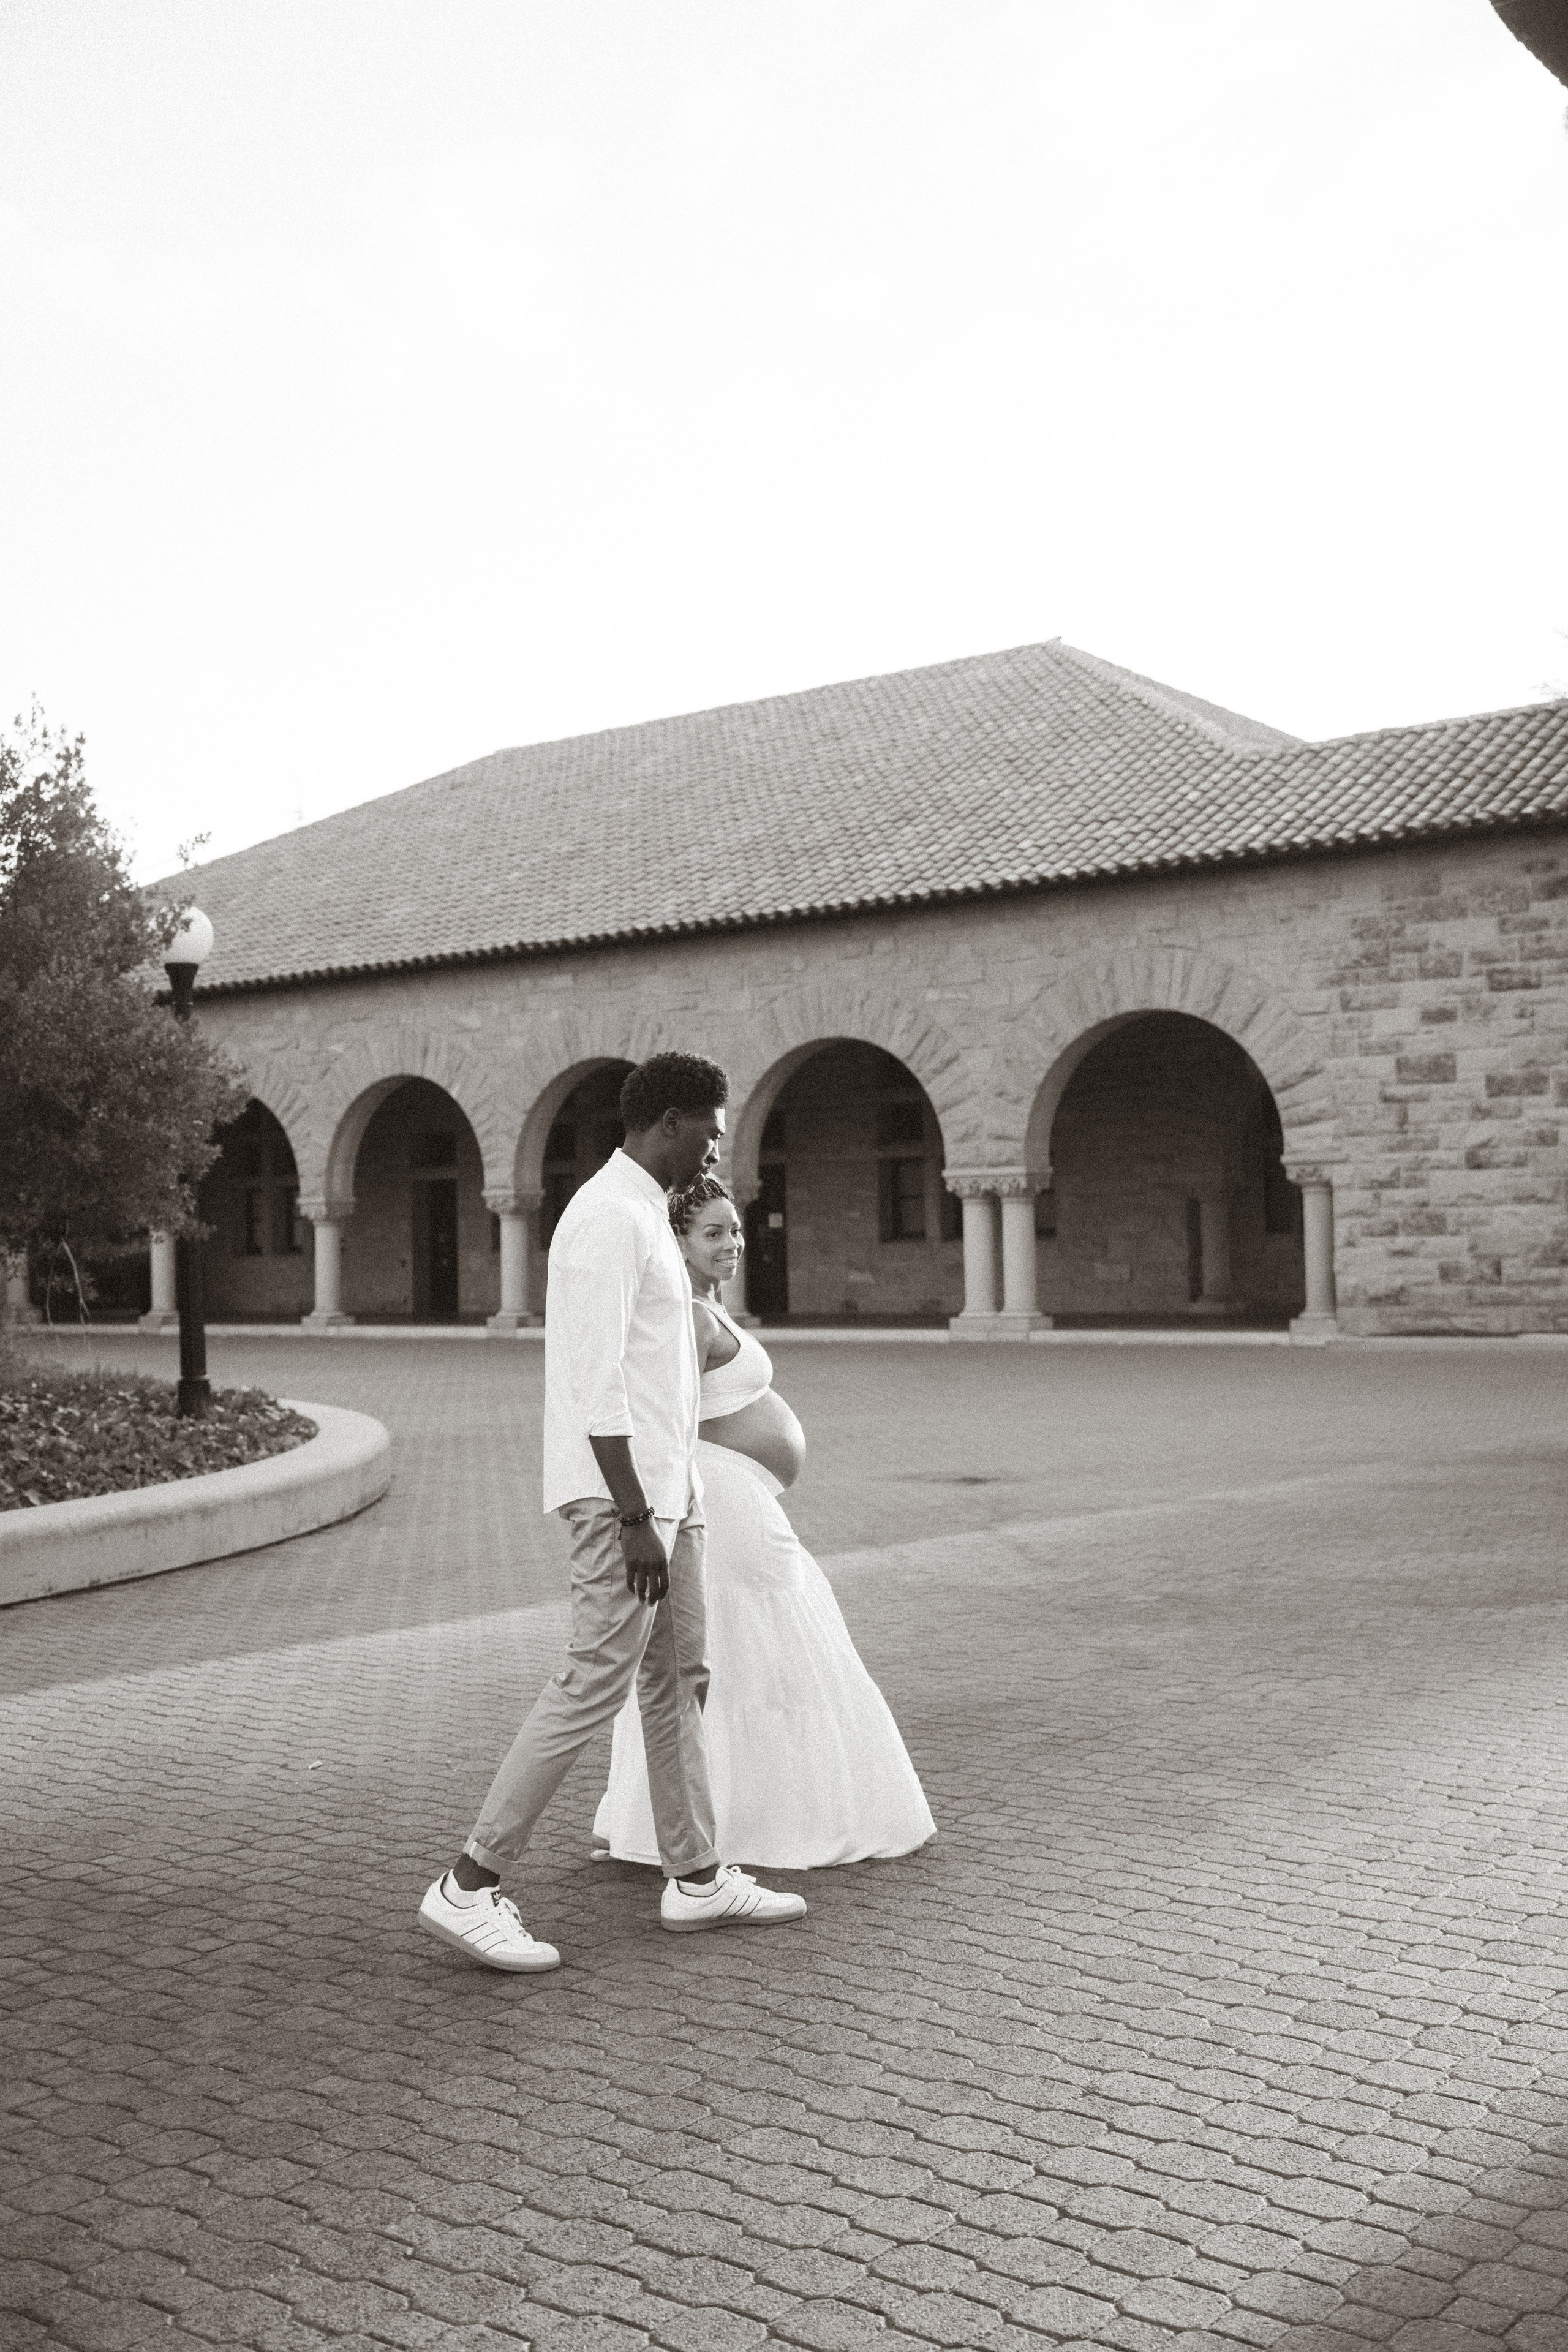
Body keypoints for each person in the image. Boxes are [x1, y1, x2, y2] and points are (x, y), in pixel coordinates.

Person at [418, 1053, 807, 1971]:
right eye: (710, 1129)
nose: (717, 1146)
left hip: (672, 1497)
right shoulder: (604, 1217)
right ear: (670, 1121)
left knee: (679, 1679)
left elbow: (661, 1374)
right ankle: (469, 1885)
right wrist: (635, 1519)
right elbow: (594, 1385)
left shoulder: (645, 1214)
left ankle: (697, 1877)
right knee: (594, 1679)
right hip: (623, 1504)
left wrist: (677, 1504)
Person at [592, 1175, 937, 1872]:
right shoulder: (687, 1317)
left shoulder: (708, 1308)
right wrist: (648, 1516)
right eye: (713, 1233)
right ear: (677, 1241)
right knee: (757, 1639)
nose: (733, 1244)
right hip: (721, 1501)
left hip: (738, 1493)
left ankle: (740, 1815)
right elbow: (656, 1421)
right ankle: (746, 1823)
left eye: (736, 1230)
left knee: (759, 1642)